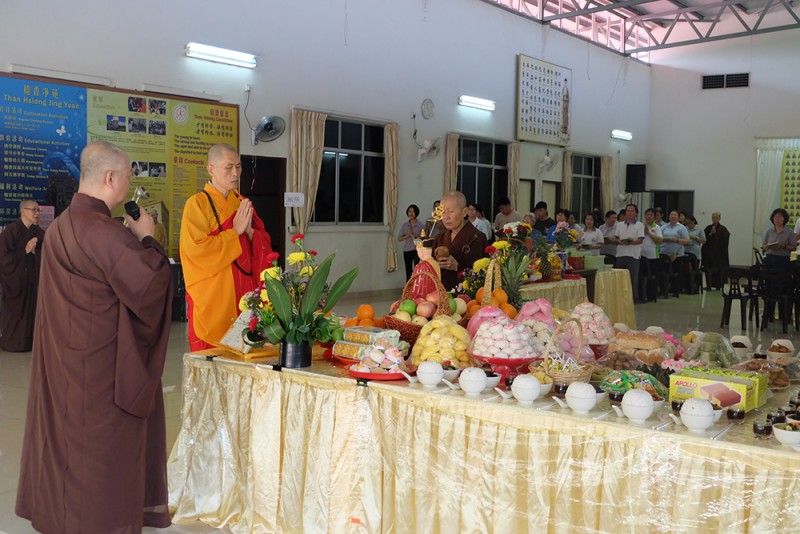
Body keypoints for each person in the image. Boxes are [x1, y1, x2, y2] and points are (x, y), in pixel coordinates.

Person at [16, 140, 173, 532]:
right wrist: (147, 238)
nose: (129, 184)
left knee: (68, 445)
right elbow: (151, 284)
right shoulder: (102, 231)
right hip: (101, 369)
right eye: (128, 177)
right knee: (101, 453)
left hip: (65, 360)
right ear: (110, 178)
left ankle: (63, 517)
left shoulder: (61, 226)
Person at [180, 143, 273, 351]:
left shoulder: (242, 202)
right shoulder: (197, 204)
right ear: (211, 169)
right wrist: (235, 232)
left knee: (245, 350)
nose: (235, 173)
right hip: (215, 298)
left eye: (238, 167)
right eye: (228, 167)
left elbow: (264, 244)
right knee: (212, 359)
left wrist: (251, 234)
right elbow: (196, 252)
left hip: (244, 293)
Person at [0, 200, 45, 351]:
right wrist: (25, 251)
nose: (37, 213)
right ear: (23, 211)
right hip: (16, 282)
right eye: (34, 210)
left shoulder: (39, 233)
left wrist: (35, 251)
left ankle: (31, 343)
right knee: (15, 314)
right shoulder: (10, 232)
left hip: (33, 281)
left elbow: (49, 253)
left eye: (38, 210)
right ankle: (13, 344)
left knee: (33, 312)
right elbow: (3, 259)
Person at [433, 191, 489, 291]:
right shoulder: (439, 238)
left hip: (466, 296)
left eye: (450, 212)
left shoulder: (478, 237)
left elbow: (483, 276)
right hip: (440, 294)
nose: (446, 217)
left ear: (464, 212)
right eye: (443, 212)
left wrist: (457, 267)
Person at [613, 203, 645, 303]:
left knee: (632, 278)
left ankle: (633, 298)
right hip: (620, 254)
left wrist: (630, 242)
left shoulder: (639, 225)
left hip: (633, 255)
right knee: (619, 277)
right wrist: (618, 241)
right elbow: (616, 238)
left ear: (636, 213)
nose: (629, 213)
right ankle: (620, 298)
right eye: (627, 211)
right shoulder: (619, 225)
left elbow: (640, 240)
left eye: (631, 211)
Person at [702, 211, 730, 289]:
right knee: (708, 269)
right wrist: (711, 233)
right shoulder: (708, 228)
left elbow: (725, 239)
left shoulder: (723, 229)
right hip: (709, 253)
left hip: (719, 254)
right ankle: (709, 285)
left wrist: (716, 234)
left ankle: (719, 285)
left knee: (719, 269)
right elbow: (704, 238)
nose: (714, 219)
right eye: (713, 217)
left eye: (716, 217)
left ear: (719, 218)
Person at [398, 204, 424, 280]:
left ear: (416, 213)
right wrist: (407, 235)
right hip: (407, 250)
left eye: (413, 211)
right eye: (409, 211)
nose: (411, 213)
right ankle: (408, 286)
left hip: (417, 250)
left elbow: (423, 239)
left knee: (417, 270)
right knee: (408, 270)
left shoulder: (421, 225)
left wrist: (413, 235)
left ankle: (416, 285)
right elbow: (399, 239)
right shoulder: (405, 225)